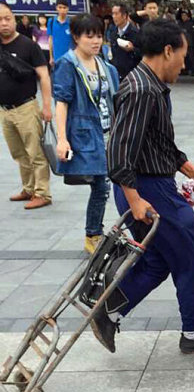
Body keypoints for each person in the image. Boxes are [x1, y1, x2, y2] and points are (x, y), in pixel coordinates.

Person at [102, 19, 194, 354]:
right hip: (145, 190)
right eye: (183, 56)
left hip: (151, 183)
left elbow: (159, 144)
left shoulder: (151, 86)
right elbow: (118, 151)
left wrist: (192, 171)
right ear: (168, 50)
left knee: (159, 260)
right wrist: (135, 199)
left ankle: (109, 309)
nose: (184, 64)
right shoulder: (141, 91)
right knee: (188, 250)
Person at [53, 15, 119, 254]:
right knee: (102, 185)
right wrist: (62, 138)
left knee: (104, 184)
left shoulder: (104, 64)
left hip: (107, 132)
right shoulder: (68, 64)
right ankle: (93, 234)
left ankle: (95, 233)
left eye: (99, 36)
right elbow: (62, 102)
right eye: (89, 36)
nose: (95, 41)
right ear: (76, 37)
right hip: (85, 134)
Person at [0, 2, 53, 210]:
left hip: (26, 107)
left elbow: (44, 76)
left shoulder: (28, 46)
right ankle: (28, 188)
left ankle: (43, 193)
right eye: (0, 19)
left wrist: (46, 106)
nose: (3, 23)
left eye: (7, 18)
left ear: (14, 20)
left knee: (35, 153)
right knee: (18, 153)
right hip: (5, 110)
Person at [110, 3, 141, 81]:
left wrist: (132, 49)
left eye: (116, 14)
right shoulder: (114, 33)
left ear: (124, 16)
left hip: (132, 76)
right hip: (117, 75)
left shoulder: (135, 33)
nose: (114, 17)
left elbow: (143, 53)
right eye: (112, 14)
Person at [48, 0, 71, 68]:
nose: (62, 10)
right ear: (56, 8)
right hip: (56, 58)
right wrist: (51, 57)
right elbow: (50, 39)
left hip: (70, 58)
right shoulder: (51, 21)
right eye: (60, 7)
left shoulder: (72, 22)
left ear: (68, 9)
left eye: (64, 8)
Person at [178, 11, 194, 76]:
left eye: (185, 15)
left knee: (191, 57)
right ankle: (184, 70)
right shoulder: (180, 23)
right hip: (182, 42)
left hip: (189, 42)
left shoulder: (190, 23)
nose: (183, 17)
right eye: (182, 16)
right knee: (183, 57)